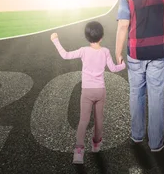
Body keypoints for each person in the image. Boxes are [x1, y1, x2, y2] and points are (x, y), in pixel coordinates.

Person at [115, 0, 164, 152]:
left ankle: (137, 135)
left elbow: (123, 25)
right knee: (156, 95)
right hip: (159, 51)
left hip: (136, 53)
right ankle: (156, 143)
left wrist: (117, 52)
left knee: (136, 93)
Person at [50, 21, 126, 164]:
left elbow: (65, 55)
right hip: (100, 90)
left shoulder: (84, 51)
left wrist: (55, 40)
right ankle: (96, 145)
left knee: (83, 121)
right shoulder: (105, 52)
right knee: (99, 120)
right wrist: (122, 64)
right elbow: (114, 68)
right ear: (101, 37)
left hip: (87, 91)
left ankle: (79, 152)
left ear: (87, 37)